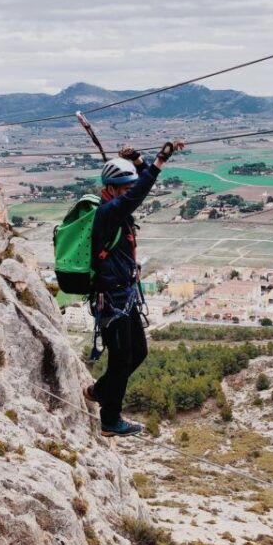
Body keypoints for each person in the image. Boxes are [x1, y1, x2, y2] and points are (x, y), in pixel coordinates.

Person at [83, 141, 183, 437]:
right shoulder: (107, 213)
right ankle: (110, 420)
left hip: (124, 297)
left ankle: (97, 391)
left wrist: (139, 161)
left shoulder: (115, 207)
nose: (129, 191)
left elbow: (136, 187)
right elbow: (138, 193)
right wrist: (158, 162)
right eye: (123, 188)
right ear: (112, 189)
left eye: (128, 187)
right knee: (121, 360)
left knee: (137, 352)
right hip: (111, 300)